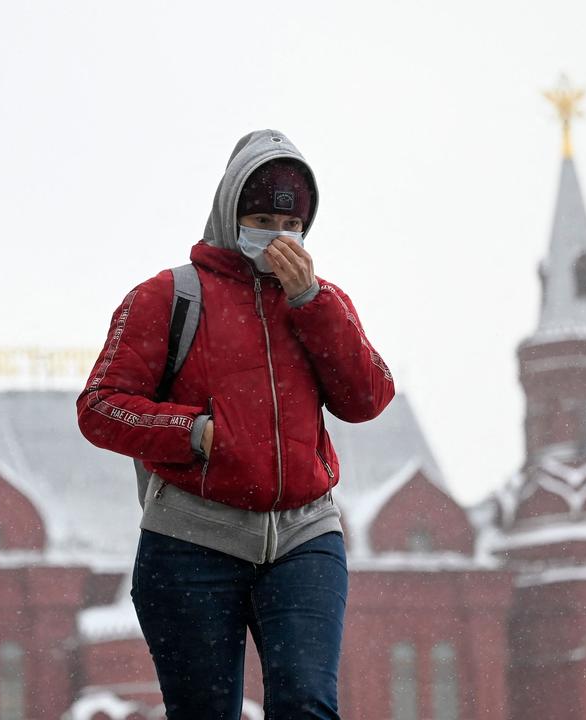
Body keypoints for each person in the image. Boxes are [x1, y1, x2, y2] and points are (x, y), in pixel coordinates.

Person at [76, 129, 395, 719]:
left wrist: (310, 303)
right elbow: (99, 406)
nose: (277, 238)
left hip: (304, 535)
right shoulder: (168, 296)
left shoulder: (324, 302)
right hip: (191, 540)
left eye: (291, 226)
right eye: (260, 219)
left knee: (306, 703)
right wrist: (193, 432)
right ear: (229, 213)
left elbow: (369, 396)